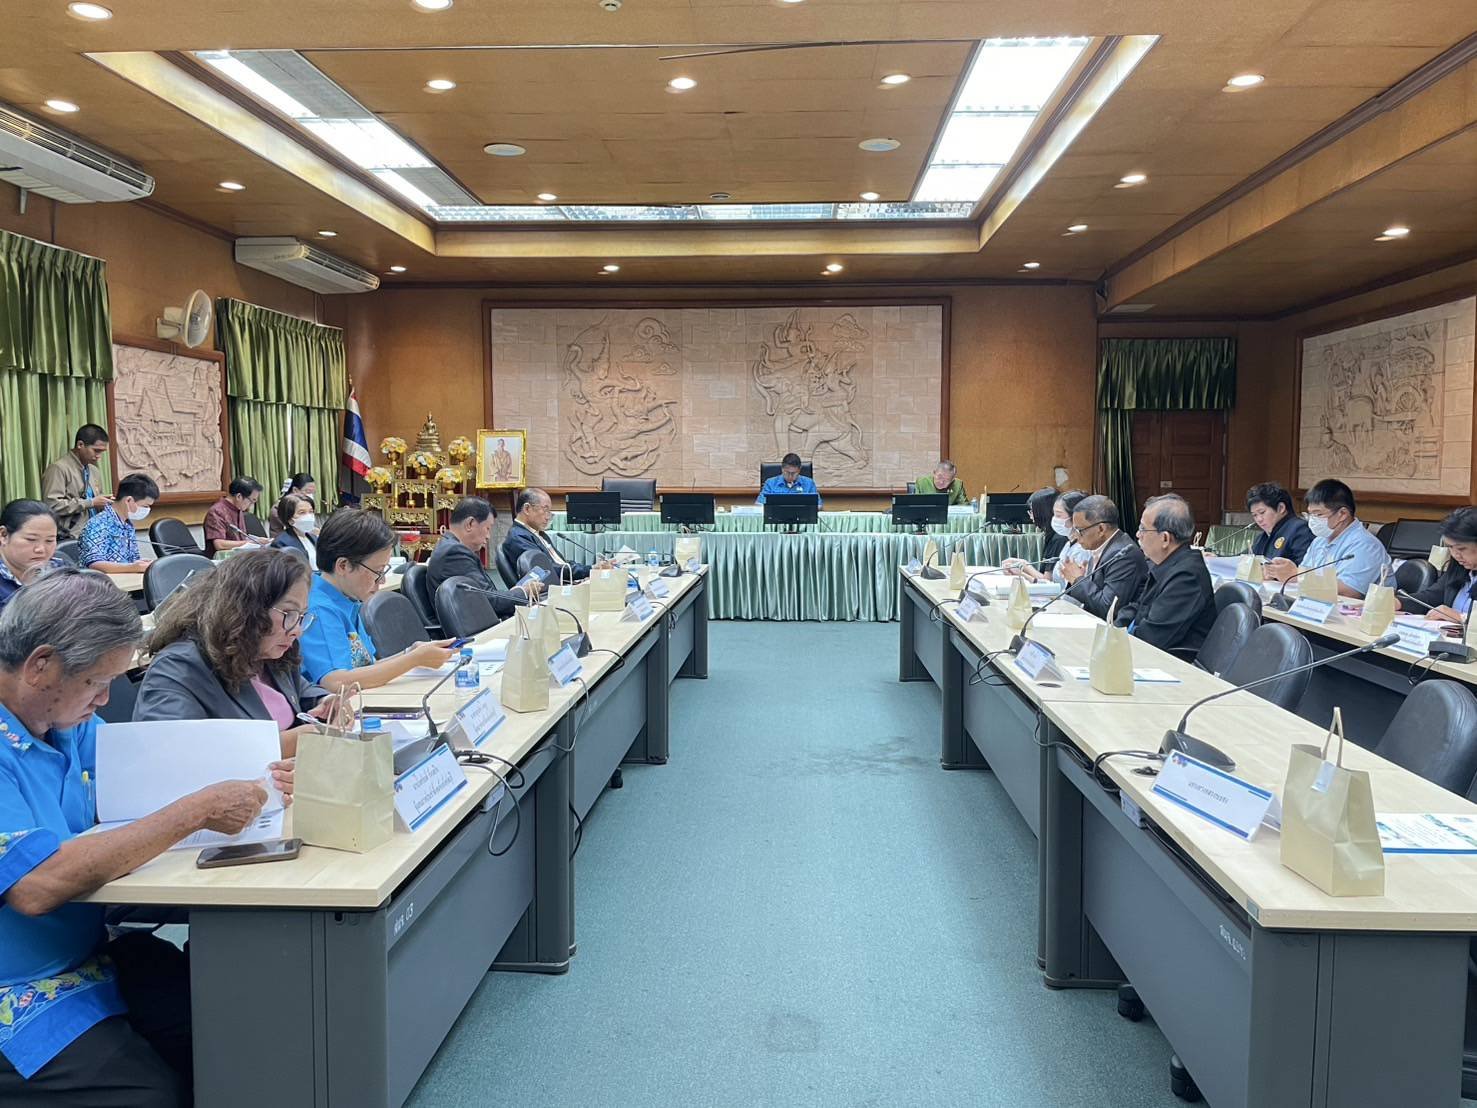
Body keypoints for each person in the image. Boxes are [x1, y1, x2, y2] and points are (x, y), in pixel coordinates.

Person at [0, 569, 286, 1103]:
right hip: (17, 986)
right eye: (96, 682)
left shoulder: (66, 723)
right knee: (149, 1093)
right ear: (41, 665)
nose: (106, 699)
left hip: (86, 953)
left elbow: (142, 788)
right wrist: (196, 810)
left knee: (224, 1031)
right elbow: (36, 887)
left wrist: (256, 781)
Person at [135, 550, 344, 755]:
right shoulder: (178, 668)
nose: (297, 630)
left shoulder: (270, 649)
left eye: (301, 616)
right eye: (289, 613)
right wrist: (286, 744)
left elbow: (301, 689)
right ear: (247, 609)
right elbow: (170, 755)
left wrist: (325, 701)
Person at [298, 509, 456, 692]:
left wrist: (410, 653)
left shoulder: (347, 598)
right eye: (378, 571)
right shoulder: (319, 609)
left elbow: (366, 666)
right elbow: (336, 681)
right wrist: (413, 659)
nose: (382, 580)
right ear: (343, 565)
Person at [1115, 494, 1217, 653]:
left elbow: (1152, 638)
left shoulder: (1186, 577)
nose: (1138, 535)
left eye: (1143, 529)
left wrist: (1116, 642)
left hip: (1170, 661)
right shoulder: (1167, 564)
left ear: (1165, 538)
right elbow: (1138, 608)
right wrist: (1114, 631)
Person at [1264, 478, 1388, 597]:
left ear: (1342, 514)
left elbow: (1350, 591)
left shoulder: (1366, 545)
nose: (1312, 520)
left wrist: (1298, 576)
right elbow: (1304, 578)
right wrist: (1278, 573)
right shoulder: (1319, 541)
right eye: (1310, 514)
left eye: (1318, 514)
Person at [428, 497, 539, 617]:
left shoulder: (449, 545)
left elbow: (485, 595)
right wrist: (523, 591)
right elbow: (490, 601)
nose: (488, 536)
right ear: (470, 524)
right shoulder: (454, 553)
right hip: (477, 624)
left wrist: (514, 592)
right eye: (487, 528)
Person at [1060, 494, 1149, 618]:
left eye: (1080, 530)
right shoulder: (1100, 548)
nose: (1075, 536)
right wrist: (1079, 580)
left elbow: (1108, 608)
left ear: (1101, 529)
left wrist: (1078, 580)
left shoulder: (1122, 554)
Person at [501, 488, 612, 583]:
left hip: (565, 582)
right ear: (527, 509)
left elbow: (560, 563)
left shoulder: (537, 533)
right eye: (545, 510)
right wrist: (589, 570)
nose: (548, 517)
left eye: (549, 512)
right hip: (553, 591)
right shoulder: (518, 537)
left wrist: (590, 569)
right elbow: (547, 570)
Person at [40, 424, 111, 541]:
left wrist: (107, 503)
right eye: (96, 451)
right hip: (71, 536)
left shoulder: (94, 470)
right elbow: (51, 505)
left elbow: (96, 503)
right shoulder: (58, 468)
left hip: (96, 534)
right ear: (80, 445)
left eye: (102, 452)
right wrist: (90, 502)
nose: (98, 456)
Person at [1406, 507, 1477, 624]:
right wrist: (1399, 602)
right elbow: (1433, 596)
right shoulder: (1460, 566)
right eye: (1450, 547)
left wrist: (1461, 618)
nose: (1455, 555)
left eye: (1461, 549)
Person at [78, 473, 157, 574]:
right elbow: (94, 564)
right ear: (129, 500)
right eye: (145, 506)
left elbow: (131, 561)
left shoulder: (127, 525)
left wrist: (139, 564)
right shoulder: (98, 524)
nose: (147, 510)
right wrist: (132, 567)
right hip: (99, 582)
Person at [1005, 490, 1088, 582]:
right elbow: (1053, 584)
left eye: (1058, 515)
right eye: (1054, 514)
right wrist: (1021, 571)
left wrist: (1024, 569)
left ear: (1075, 518)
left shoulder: (1074, 546)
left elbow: (1054, 582)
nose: (1054, 519)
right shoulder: (1068, 544)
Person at [0, 501, 64, 614]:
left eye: (49, 541)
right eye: (31, 539)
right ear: (3, 535)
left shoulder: (61, 572)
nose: (41, 549)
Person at [1244, 482, 1313, 564]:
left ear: (1281, 508)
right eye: (1254, 515)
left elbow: (1305, 567)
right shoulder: (1263, 537)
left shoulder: (1300, 529)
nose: (1259, 519)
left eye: (1262, 512)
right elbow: (1243, 558)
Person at [202, 477, 268, 558]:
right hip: (222, 561)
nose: (251, 505)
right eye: (252, 501)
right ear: (239, 496)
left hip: (238, 558)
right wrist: (252, 542)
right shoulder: (217, 511)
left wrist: (256, 541)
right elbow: (219, 544)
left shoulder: (238, 509)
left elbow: (240, 539)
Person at [270, 494, 319, 564]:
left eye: (311, 511)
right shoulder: (281, 543)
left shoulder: (313, 537)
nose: (309, 516)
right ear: (289, 519)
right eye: (302, 512)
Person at [757, 453, 822, 506]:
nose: (790, 476)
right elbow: (759, 504)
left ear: (799, 470)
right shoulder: (770, 483)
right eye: (787, 472)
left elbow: (819, 505)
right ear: (782, 469)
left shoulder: (809, 483)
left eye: (794, 473)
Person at [1028, 488, 1068, 561]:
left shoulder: (1059, 539)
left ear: (1043, 511)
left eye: (1032, 510)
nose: (1030, 516)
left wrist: (1025, 566)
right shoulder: (1053, 535)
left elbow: (1050, 569)